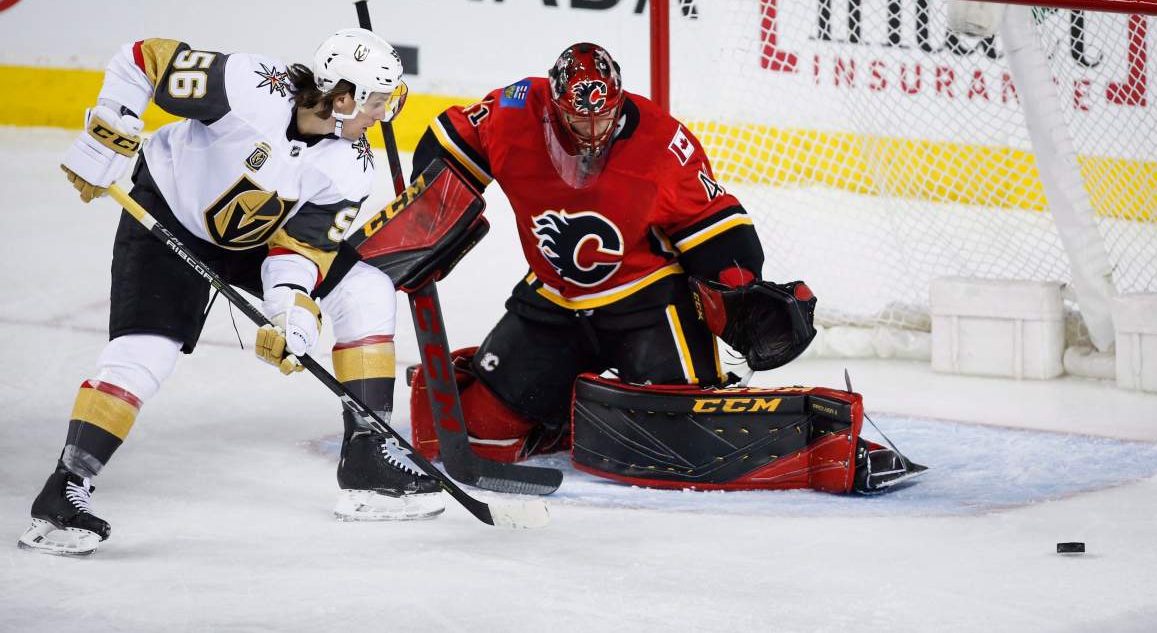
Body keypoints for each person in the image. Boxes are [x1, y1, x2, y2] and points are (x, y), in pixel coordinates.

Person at [20, 29, 444, 557]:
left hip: (256, 242)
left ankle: (368, 455)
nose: (383, 116)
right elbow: (141, 59)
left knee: (364, 284)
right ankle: (64, 489)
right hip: (169, 213)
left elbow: (298, 252)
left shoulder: (350, 164)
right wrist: (112, 128)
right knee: (145, 354)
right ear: (342, 99)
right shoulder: (248, 85)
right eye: (376, 102)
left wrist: (291, 314)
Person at [407, 42, 785, 462]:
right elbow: (453, 142)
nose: (591, 133)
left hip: (647, 302)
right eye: (576, 119)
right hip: (554, 298)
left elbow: (712, 219)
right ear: (553, 108)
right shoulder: (514, 113)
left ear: (619, 103)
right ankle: (565, 419)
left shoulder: (661, 141)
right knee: (481, 434)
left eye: (602, 118)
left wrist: (740, 285)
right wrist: (427, 209)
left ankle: (606, 406)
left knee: (680, 442)